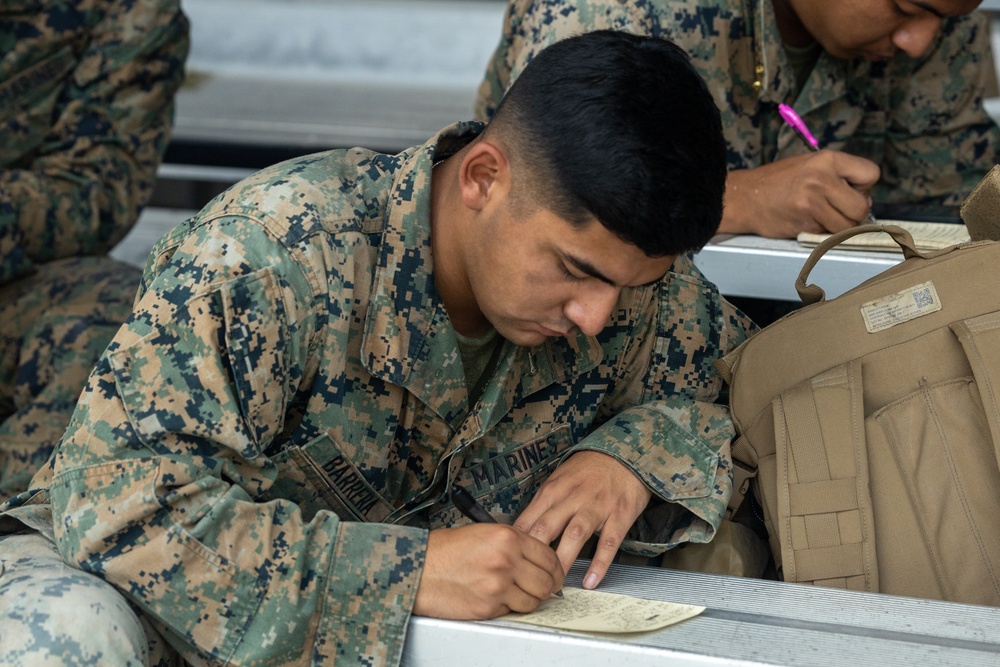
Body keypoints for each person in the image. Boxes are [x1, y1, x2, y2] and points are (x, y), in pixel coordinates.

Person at [0, 31, 754, 665]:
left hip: (414, 643)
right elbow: (119, 511)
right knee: (62, 634)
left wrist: (636, 456)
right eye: (575, 270)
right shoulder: (275, 254)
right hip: (165, 617)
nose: (596, 315)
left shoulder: (628, 293)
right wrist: (407, 574)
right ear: (484, 179)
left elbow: (756, 385)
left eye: (630, 286)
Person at [475, 0, 1000, 239]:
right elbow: (539, 202)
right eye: (904, 8)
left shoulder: (943, 25)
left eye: (947, 18)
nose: (921, 41)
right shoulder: (613, 12)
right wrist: (741, 199)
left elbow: (951, 220)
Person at [0, 0, 190, 498]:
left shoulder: (125, 12)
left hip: (15, 281)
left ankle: (24, 517)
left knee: (127, 322)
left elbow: (96, 193)